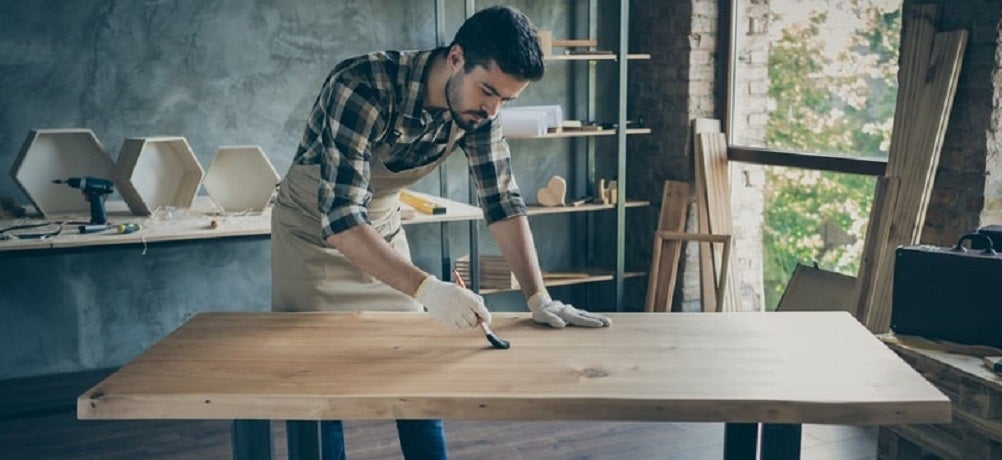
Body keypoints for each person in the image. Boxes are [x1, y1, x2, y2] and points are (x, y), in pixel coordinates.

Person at [271, 5, 612, 459]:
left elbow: (502, 201)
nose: (492, 109)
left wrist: (538, 297)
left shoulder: (478, 112)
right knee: (318, 380)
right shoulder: (362, 85)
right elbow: (340, 217)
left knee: (412, 369)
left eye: (505, 101)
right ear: (456, 58)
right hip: (311, 233)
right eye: (487, 91)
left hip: (380, 228)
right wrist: (429, 288)